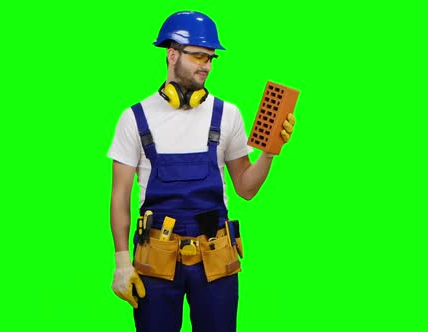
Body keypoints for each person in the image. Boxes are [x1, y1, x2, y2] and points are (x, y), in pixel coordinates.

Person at [108, 11, 296, 332]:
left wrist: (269, 152)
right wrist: (122, 261)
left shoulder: (227, 114)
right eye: (198, 56)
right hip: (156, 260)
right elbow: (120, 196)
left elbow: (246, 189)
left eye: (210, 58)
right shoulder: (135, 118)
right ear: (171, 54)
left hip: (216, 260)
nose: (206, 66)